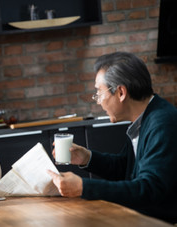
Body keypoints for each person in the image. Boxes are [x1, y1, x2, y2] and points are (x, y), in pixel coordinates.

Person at [47, 52, 177, 224]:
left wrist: (84, 187)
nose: (98, 101)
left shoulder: (162, 123)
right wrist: (87, 158)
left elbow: (149, 189)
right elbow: (125, 168)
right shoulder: (145, 118)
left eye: (99, 92)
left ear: (121, 92)